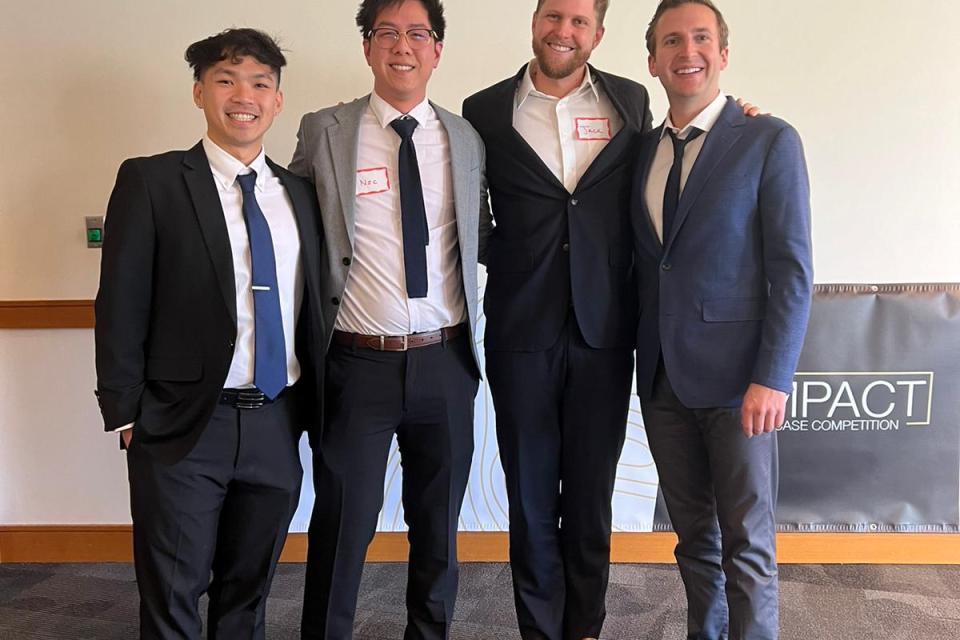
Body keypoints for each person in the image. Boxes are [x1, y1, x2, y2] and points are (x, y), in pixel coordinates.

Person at [94, 28, 324, 639]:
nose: (242, 95)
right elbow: (119, 301)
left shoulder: (301, 193)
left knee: (247, 591)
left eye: (259, 83)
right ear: (199, 93)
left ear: (277, 101)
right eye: (225, 79)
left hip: (277, 418)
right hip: (182, 424)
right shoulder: (153, 182)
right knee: (173, 590)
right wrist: (125, 412)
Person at [288, 1, 489, 638]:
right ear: (368, 46)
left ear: (437, 49)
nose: (403, 45)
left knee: (438, 531)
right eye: (387, 32)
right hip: (357, 363)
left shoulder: (465, 138)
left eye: (417, 34)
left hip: (446, 359)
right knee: (343, 526)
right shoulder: (325, 130)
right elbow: (288, 216)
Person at [461, 2, 651, 639]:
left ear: (598, 32)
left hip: (604, 329)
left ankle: (585, 630)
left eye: (577, 21)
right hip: (521, 327)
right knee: (531, 499)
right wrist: (513, 256)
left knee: (592, 499)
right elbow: (467, 209)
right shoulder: (484, 110)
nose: (562, 31)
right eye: (552, 15)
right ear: (535, 20)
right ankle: (539, 631)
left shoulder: (631, 101)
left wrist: (740, 121)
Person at [632, 1, 813, 638]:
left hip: (741, 387)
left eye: (702, 38)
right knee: (694, 546)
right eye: (672, 41)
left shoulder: (768, 140)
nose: (689, 52)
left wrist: (774, 377)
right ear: (652, 60)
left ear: (724, 53)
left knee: (749, 550)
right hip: (661, 383)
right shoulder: (640, 151)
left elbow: (791, 270)